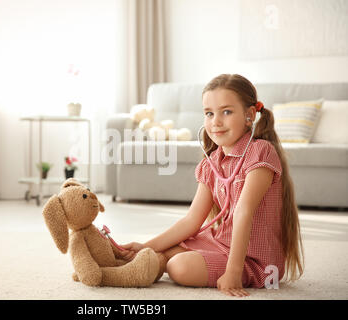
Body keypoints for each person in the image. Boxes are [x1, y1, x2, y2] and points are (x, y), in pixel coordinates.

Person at [121, 74, 304, 297]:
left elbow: (243, 211)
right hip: (219, 244)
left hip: (254, 261)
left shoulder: (260, 151)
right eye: (209, 113)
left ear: (249, 116)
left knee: (178, 266)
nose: (215, 121)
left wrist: (233, 272)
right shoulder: (211, 163)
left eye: (226, 112)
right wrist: (144, 246)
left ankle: (157, 265)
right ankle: (135, 266)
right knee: (162, 251)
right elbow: (191, 220)